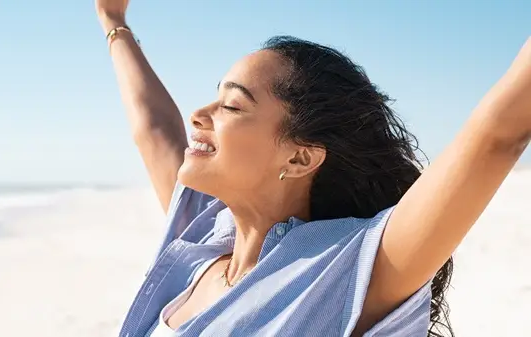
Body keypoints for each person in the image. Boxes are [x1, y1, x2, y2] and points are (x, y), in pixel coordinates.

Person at [95, 1, 531, 336]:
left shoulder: (349, 268)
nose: (199, 114)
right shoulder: (204, 238)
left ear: (300, 157)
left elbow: (497, 135)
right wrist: (112, 19)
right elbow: (153, 129)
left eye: (231, 105)